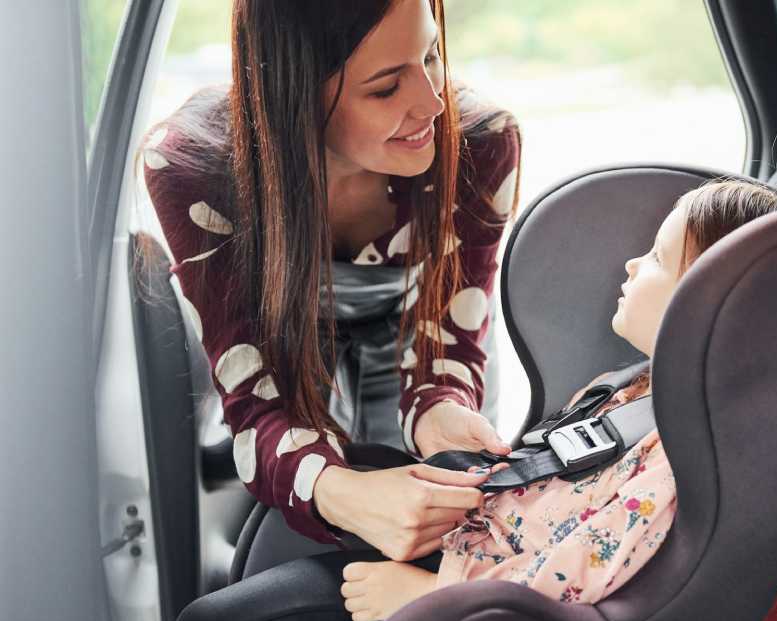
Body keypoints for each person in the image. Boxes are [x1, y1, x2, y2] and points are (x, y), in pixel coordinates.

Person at [166, 179, 777, 621]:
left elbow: (577, 579)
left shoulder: (681, 459)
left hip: (474, 616)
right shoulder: (628, 389)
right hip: (457, 559)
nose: (632, 265)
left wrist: (428, 599)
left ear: (715, 306)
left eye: (657, 259)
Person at [142, 0, 521, 566]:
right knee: (297, 525)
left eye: (431, 56)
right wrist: (337, 490)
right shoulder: (193, 166)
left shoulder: (482, 141)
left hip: (420, 319)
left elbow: (448, 341)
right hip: (284, 328)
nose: (434, 103)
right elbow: (256, 400)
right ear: (295, 95)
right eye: (386, 88)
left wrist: (440, 409)